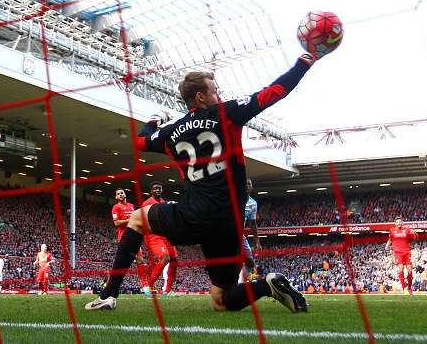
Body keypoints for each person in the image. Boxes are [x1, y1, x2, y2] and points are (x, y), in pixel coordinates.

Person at [85, 53, 317, 312]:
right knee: (222, 300)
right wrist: (303, 63)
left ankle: (108, 295)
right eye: (214, 91)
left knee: (138, 218)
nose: (218, 95)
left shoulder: (172, 131)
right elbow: (273, 92)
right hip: (228, 224)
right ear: (200, 97)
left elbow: (141, 141)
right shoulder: (228, 113)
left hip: (193, 216)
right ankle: (266, 286)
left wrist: (154, 120)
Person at [111, 188, 151, 296]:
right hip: (124, 238)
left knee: (140, 261)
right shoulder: (116, 207)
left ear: (125, 194)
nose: (120, 194)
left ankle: (146, 286)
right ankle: (110, 285)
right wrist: (131, 220)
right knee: (121, 264)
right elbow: (117, 223)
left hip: (134, 236)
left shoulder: (131, 206)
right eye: (118, 193)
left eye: (121, 193)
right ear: (116, 197)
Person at [141, 182, 179, 294]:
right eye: (155, 189)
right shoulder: (147, 203)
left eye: (159, 189)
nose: (157, 190)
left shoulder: (164, 202)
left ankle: (168, 290)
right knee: (165, 257)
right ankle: (149, 286)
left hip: (165, 235)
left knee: (174, 261)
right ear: (151, 191)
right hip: (153, 235)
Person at [385, 217, 417, 295]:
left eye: (400, 222)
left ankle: (409, 287)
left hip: (407, 252)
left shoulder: (407, 230)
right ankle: (404, 288)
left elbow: (414, 238)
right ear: (395, 223)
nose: (399, 223)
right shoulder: (392, 230)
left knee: (409, 271)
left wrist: (415, 234)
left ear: (402, 222)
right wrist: (387, 246)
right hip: (398, 252)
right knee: (401, 269)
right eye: (397, 222)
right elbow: (390, 239)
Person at [239, 178, 261, 283]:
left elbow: (253, 224)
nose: (247, 185)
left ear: (251, 187)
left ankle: (239, 283)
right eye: (245, 184)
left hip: (239, 235)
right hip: (227, 233)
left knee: (250, 262)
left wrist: (257, 241)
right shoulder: (233, 198)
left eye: (249, 184)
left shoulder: (253, 204)